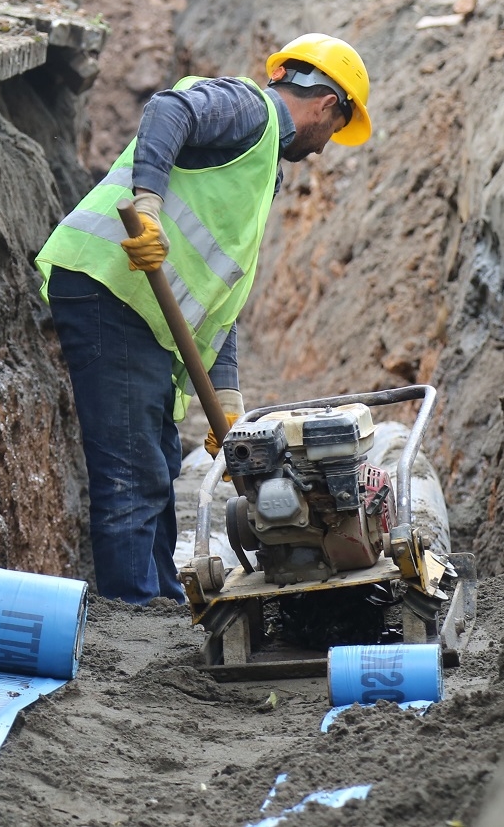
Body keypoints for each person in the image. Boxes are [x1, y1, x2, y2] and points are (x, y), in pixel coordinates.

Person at [35, 35, 375, 603]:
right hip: (111, 288)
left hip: (138, 310)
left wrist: (228, 397)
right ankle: (133, 616)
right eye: (336, 130)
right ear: (327, 105)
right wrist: (146, 205)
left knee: (159, 463)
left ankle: (161, 601)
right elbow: (169, 109)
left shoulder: (263, 167)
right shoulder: (250, 111)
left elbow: (222, 292)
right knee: (132, 471)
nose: (324, 147)